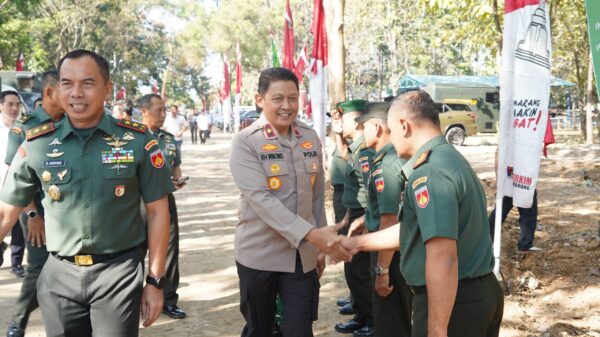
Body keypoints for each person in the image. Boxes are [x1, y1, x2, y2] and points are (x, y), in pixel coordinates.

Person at [0, 49, 173, 337]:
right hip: (58, 276)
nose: (76, 93)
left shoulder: (139, 141)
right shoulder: (36, 144)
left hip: (117, 274)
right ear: (56, 89)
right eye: (67, 83)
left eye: (88, 83)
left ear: (106, 89)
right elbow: (6, 212)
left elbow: (158, 212)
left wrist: (155, 282)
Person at [335, 90, 504, 337]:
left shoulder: (429, 173)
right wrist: (357, 243)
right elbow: (415, 229)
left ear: (404, 126)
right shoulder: (445, 158)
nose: (390, 139)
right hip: (470, 295)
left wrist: (436, 329)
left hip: (453, 302)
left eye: (391, 131)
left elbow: (442, 258)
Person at [229, 67, 351, 337]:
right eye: (278, 98)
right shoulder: (246, 142)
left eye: (293, 98)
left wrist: (320, 242)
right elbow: (260, 199)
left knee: (299, 328)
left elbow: (317, 196)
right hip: (260, 255)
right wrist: (312, 235)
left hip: (302, 258)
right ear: (260, 99)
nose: (287, 106)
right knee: (260, 329)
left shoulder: (309, 137)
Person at [4, 70, 65, 337]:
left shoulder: (70, 123)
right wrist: (32, 215)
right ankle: (18, 321)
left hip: (63, 209)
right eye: (66, 87)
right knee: (39, 266)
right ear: (50, 92)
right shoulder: (25, 127)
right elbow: (16, 176)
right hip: (34, 209)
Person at [355, 101, 413, 337]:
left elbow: (389, 219)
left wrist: (381, 270)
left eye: (364, 127)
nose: (362, 132)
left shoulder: (385, 165)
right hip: (400, 252)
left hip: (390, 254)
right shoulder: (394, 158)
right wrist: (365, 219)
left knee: (390, 322)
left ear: (377, 128)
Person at [140, 93, 188, 319]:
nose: (163, 115)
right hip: (135, 202)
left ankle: (168, 299)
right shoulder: (131, 137)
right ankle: (131, 299)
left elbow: (175, 168)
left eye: (164, 110)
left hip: (165, 200)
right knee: (135, 250)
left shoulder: (168, 139)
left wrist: (177, 180)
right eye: (158, 110)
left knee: (168, 250)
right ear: (144, 111)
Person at [331, 99, 375, 337]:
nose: (340, 124)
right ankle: (361, 314)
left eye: (345, 119)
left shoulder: (366, 152)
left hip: (363, 216)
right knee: (353, 270)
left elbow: (372, 191)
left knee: (360, 271)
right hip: (353, 212)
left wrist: (367, 219)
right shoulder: (356, 148)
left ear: (358, 122)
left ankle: (371, 319)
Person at [488, 148, 542, 252]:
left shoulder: (529, 136)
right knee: (499, 212)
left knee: (528, 209)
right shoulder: (508, 135)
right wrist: (499, 180)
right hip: (508, 178)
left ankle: (525, 244)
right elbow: (498, 154)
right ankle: (486, 242)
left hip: (524, 178)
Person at [0, 90, 26, 278]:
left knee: (18, 228)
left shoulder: (25, 129)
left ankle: (16, 263)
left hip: (17, 188)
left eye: (17, 104)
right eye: (10, 104)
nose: (14, 108)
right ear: (1, 105)